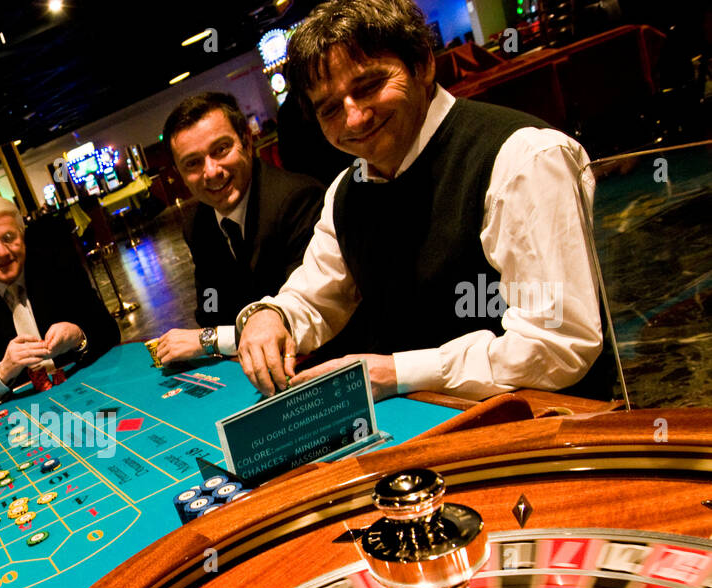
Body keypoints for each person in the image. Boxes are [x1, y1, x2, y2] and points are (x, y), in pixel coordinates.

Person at [233, 0, 611, 402]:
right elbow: (316, 295)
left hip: (551, 429)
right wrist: (272, 315)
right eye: (329, 109)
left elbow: (559, 344)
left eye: (369, 86)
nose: (354, 118)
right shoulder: (346, 190)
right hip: (429, 422)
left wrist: (398, 372)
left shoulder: (522, 157)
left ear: (423, 64)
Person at [152, 92, 324, 365]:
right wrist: (215, 334)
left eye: (220, 149)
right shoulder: (197, 223)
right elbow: (211, 311)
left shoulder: (297, 199)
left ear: (247, 140)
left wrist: (208, 341)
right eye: (193, 163)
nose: (210, 171)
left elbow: (306, 317)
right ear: (179, 174)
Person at [0, 196, 120, 407]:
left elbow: (110, 333)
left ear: (22, 234)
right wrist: (2, 372)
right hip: (21, 415)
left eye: (9, 238)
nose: (2, 252)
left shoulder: (59, 267)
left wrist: (79, 337)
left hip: (85, 394)